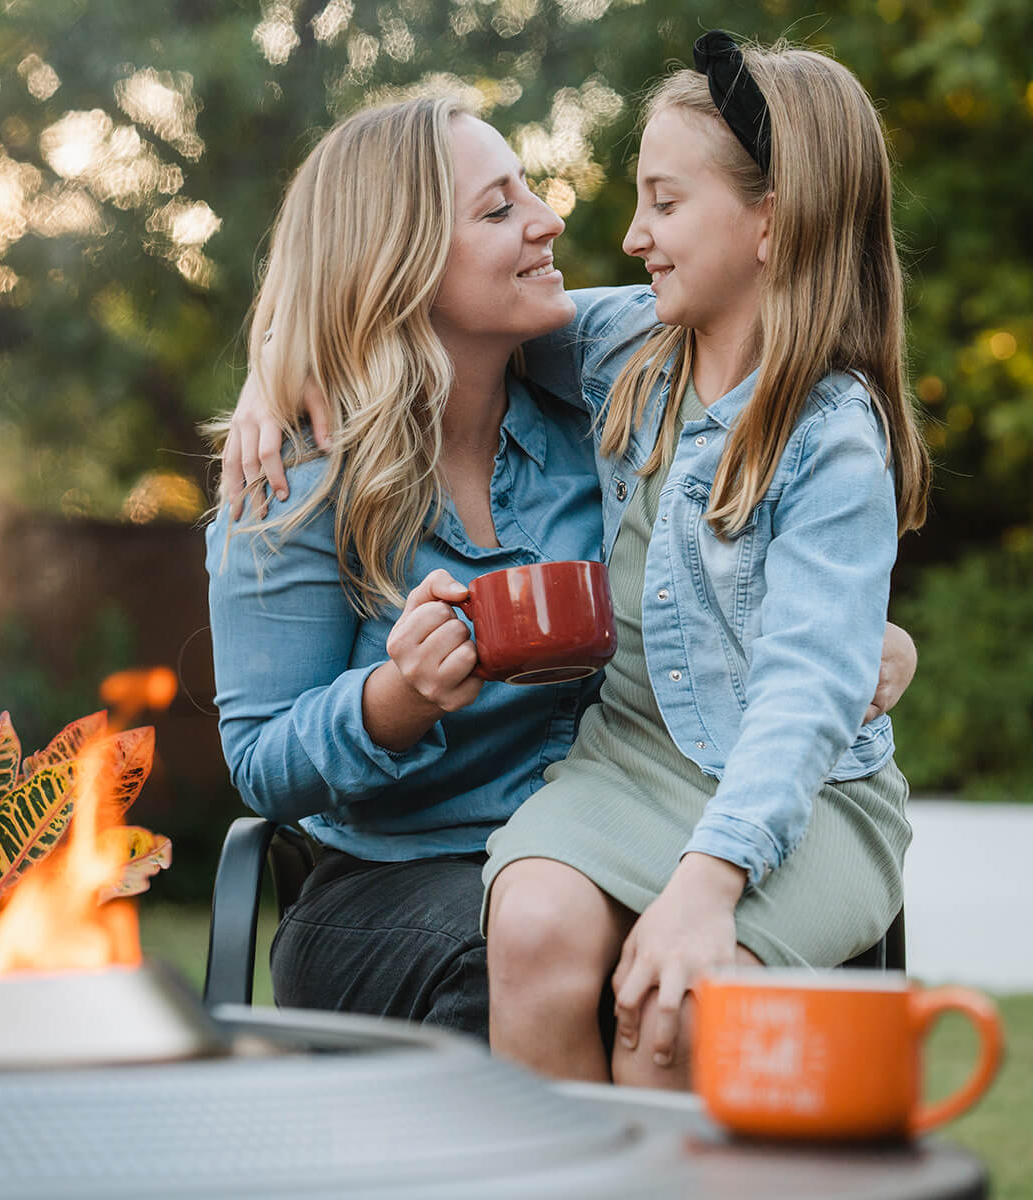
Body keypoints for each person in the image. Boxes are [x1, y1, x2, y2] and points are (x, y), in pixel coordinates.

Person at [209, 92, 917, 1043]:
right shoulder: (291, 480)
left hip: (627, 821)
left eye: (530, 190)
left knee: (666, 969)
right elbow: (260, 764)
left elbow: (761, 489)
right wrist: (395, 700)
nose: (550, 220)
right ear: (399, 262)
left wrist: (867, 638)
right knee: (534, 957)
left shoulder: (608, 402)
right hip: (400, 874)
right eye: (499, 209)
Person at [482, 32, 931, 1089]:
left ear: (772, 220)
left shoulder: (831, 438)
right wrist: (279, 366)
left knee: (677, 1014)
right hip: (632, 763)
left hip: (807, 794)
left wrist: (710, 880)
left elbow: (808, 692)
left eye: (666, 203)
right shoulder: (627, 345)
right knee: (534, 928)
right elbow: (445, 308)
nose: (632, 236)